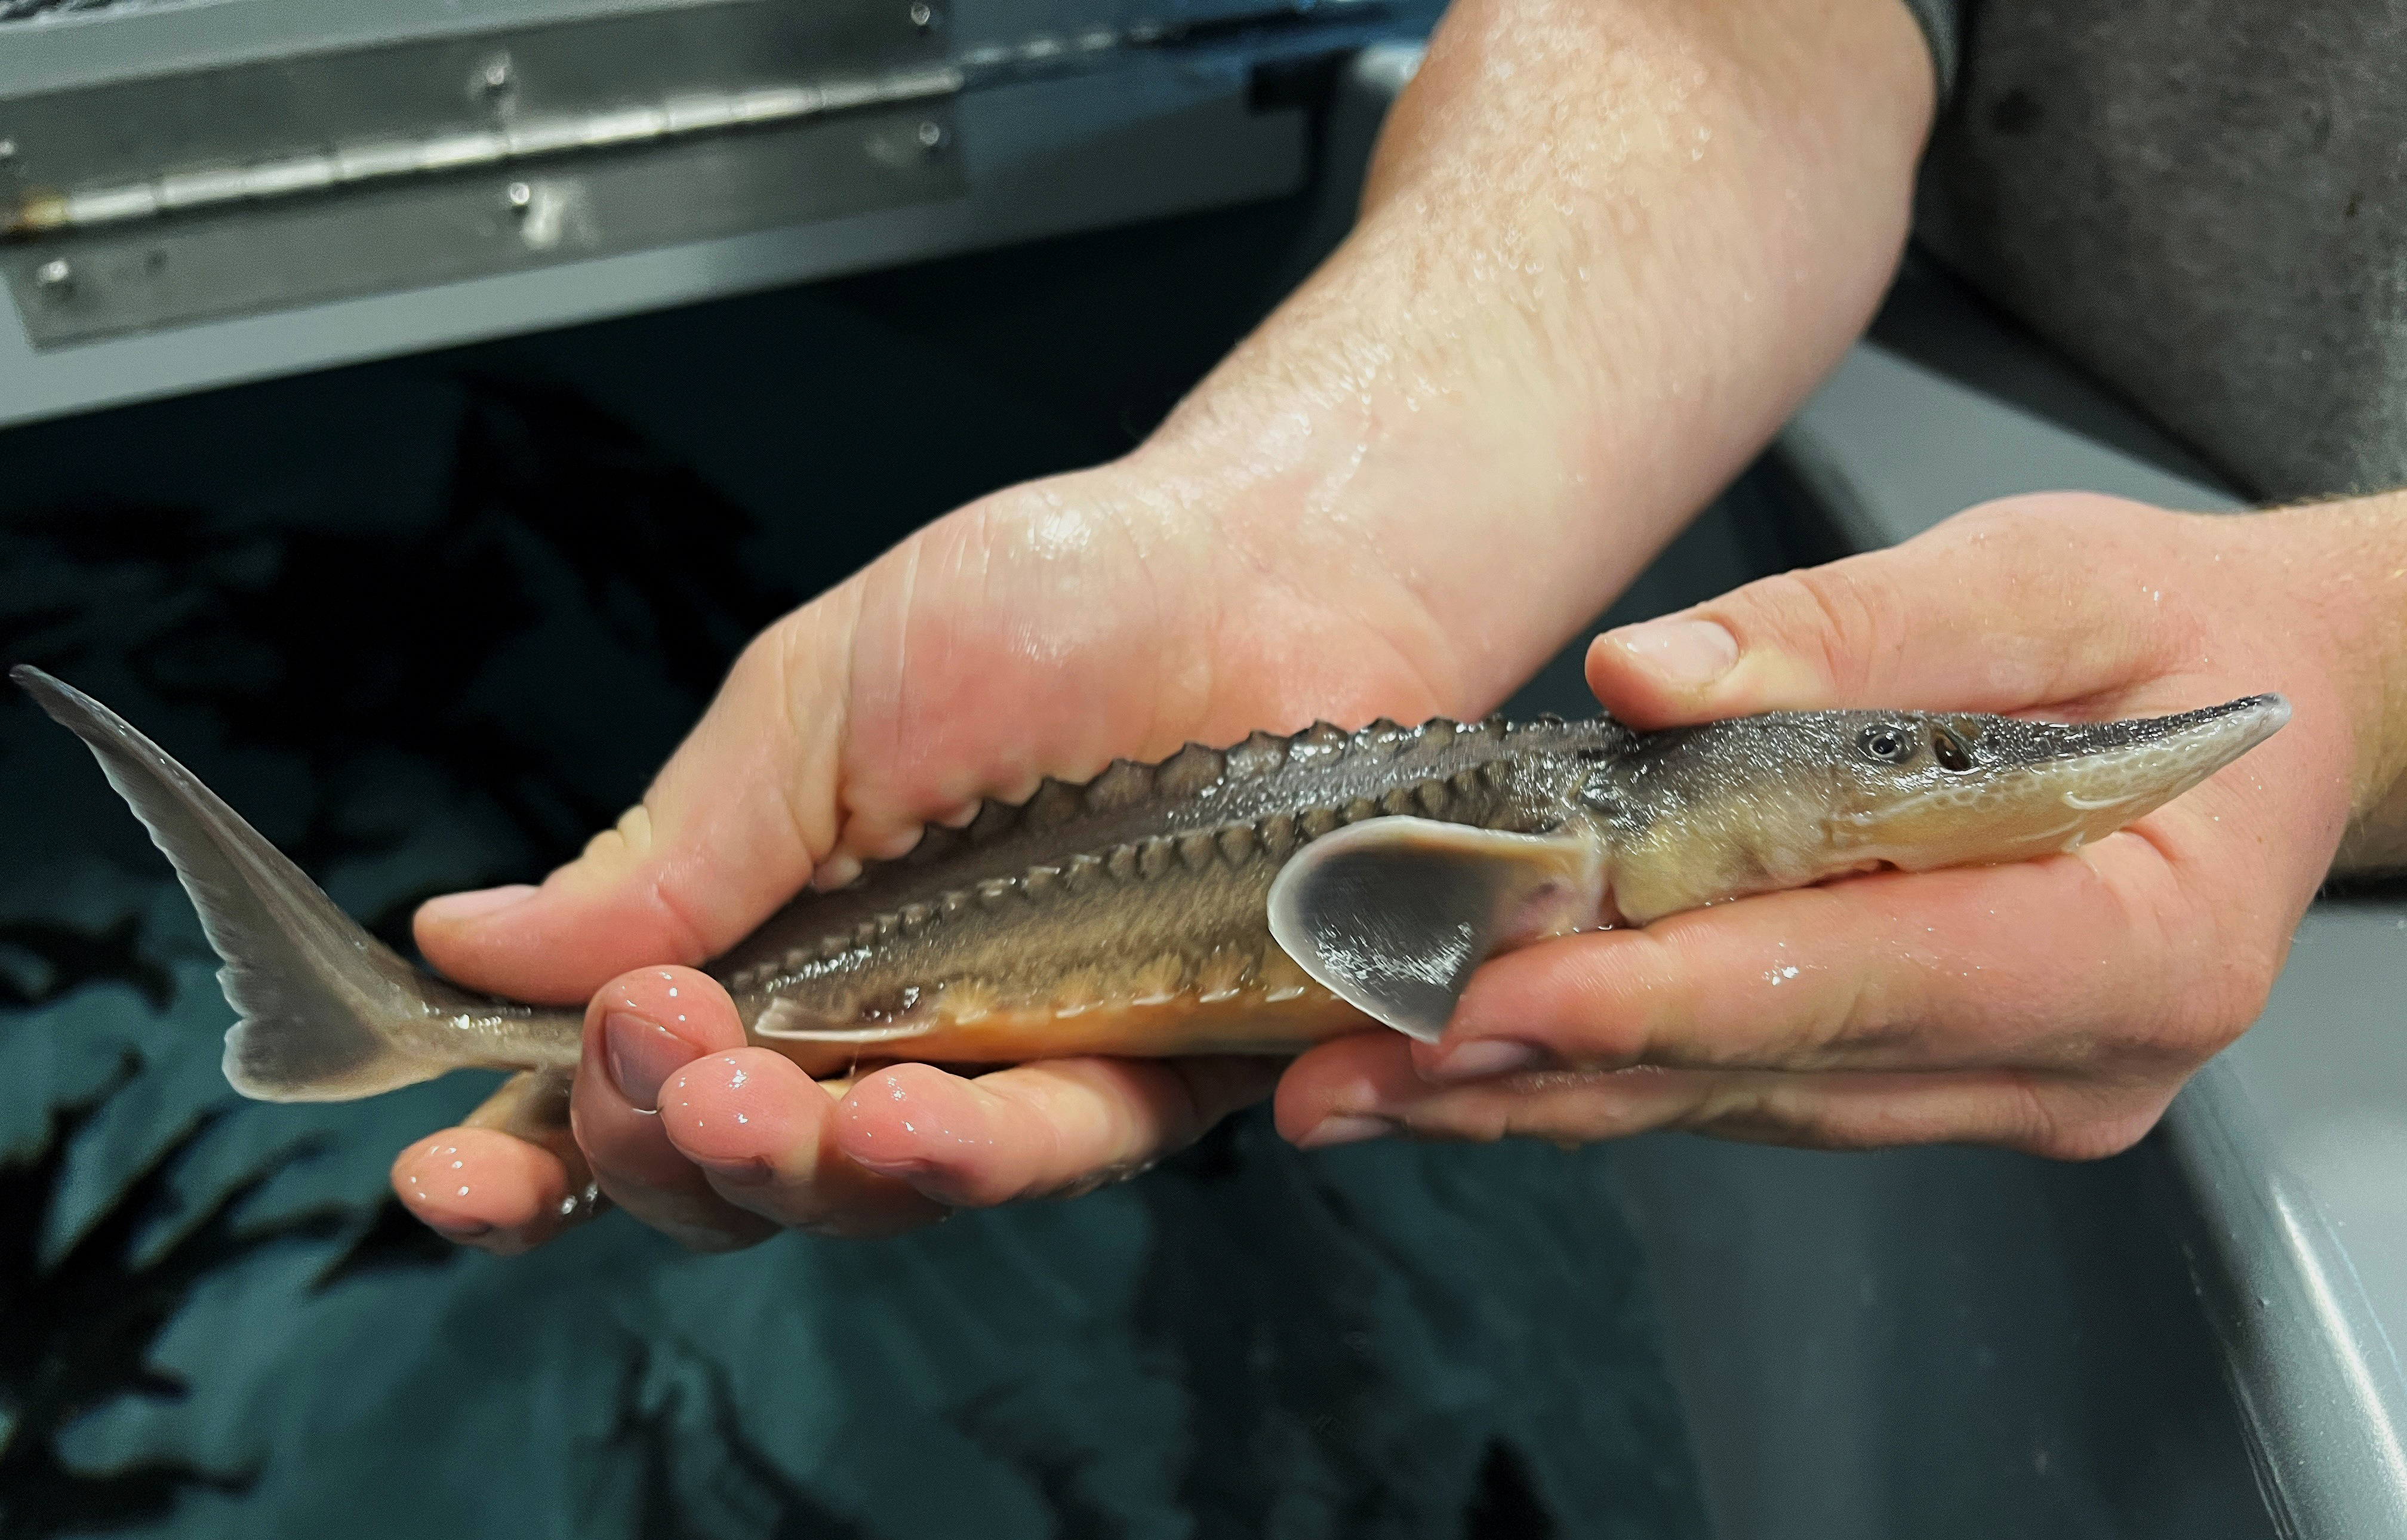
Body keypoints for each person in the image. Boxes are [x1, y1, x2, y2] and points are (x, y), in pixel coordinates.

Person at [387, 0, 2407, 1253]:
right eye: (1914, 751)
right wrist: (1274, 533)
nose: (1923, 770)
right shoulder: (1570, 843)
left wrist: (2362, 657)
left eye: (1926, 752)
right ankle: (443, 1027)